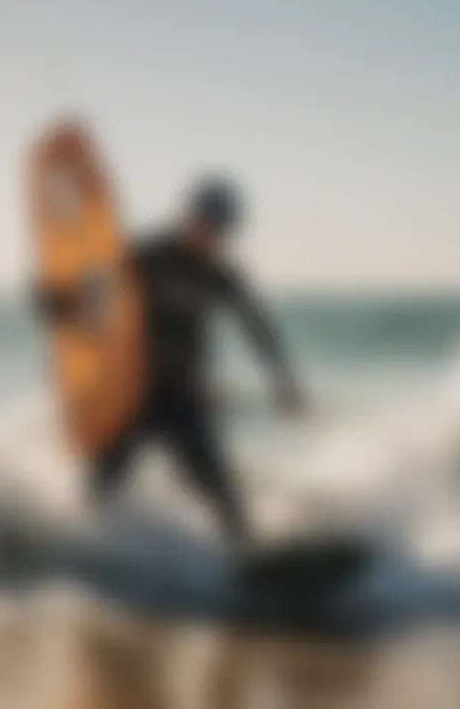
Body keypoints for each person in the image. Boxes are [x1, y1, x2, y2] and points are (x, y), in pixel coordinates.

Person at [90, 175, 303, 542]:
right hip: (131, 391)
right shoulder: (147, 256)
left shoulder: (219, 275)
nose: (213, 234)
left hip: (182, 394)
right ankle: (87, 550)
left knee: (218, 484)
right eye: (207, 221)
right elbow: (93, 297)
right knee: (105, 483)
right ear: (188, 215)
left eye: (222, 228)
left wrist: (281, 379)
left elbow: (257, 325)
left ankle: (248, 557)